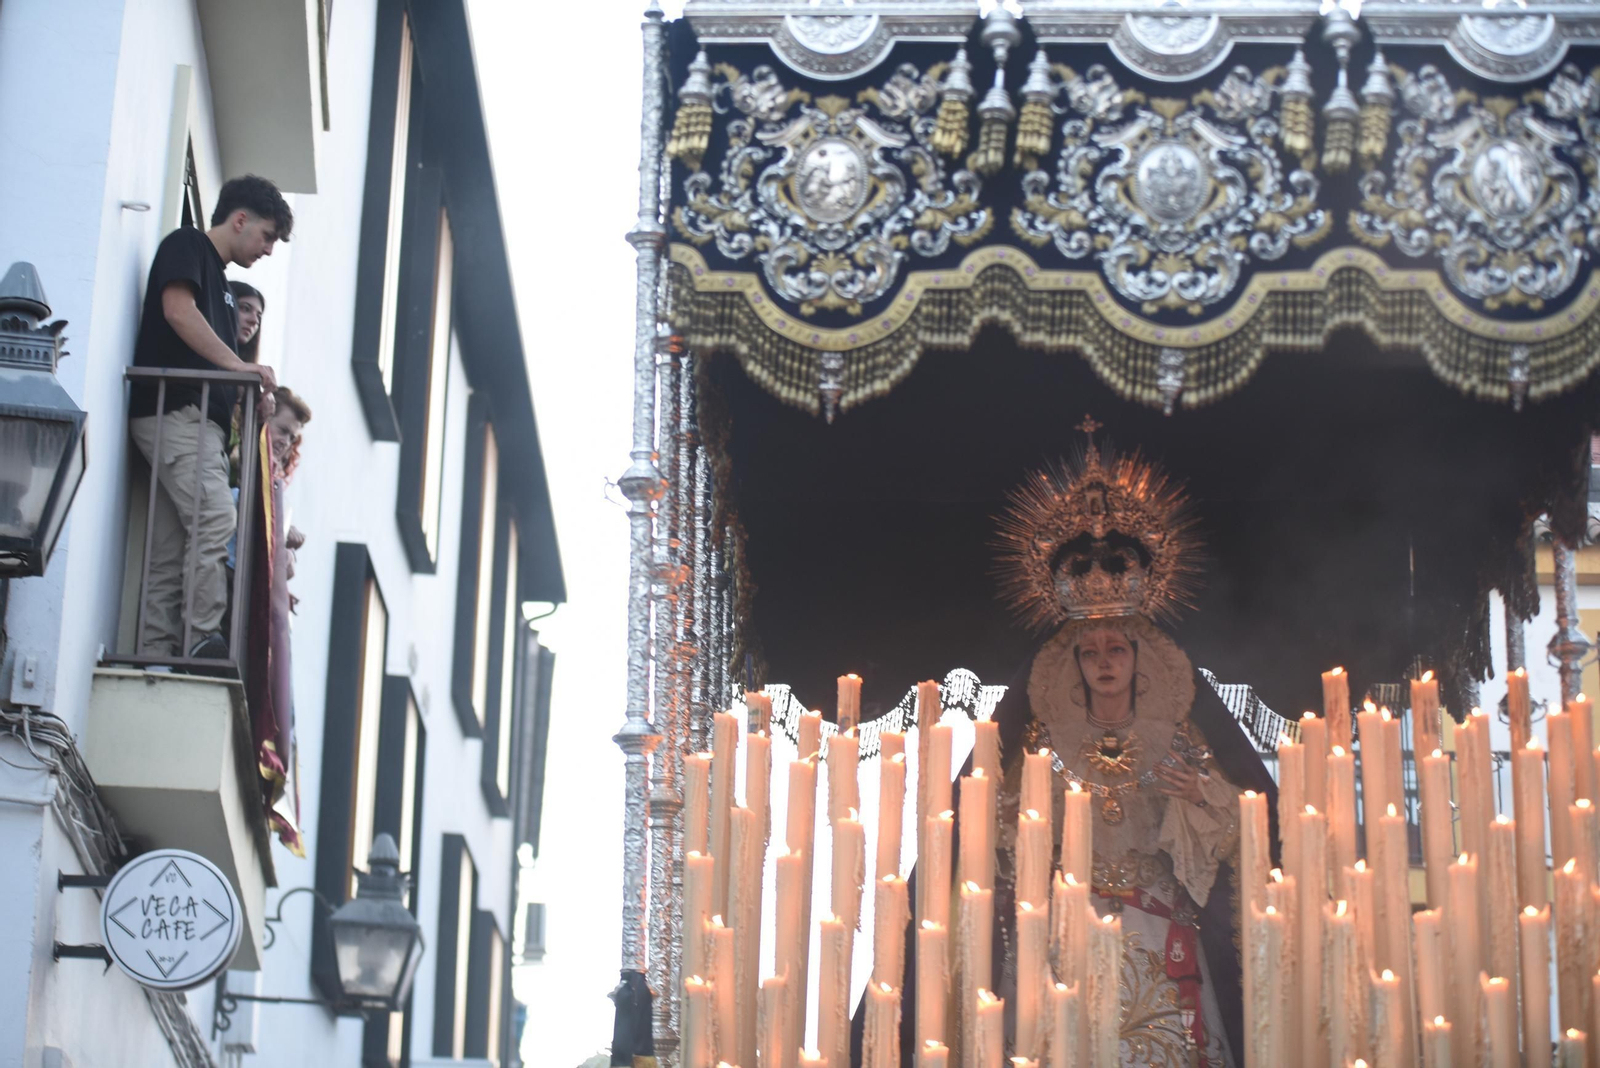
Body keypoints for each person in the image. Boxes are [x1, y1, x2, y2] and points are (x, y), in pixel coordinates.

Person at [987, 421, 1277, 1068]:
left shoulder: (1179, 732)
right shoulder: (1040, 738)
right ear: (1075, 664)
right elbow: (999, 835)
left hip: (1160, 933)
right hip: (1069, 937)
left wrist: (1199, 791)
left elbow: (1243, 824)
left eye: (1117, 648)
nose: (1104, 662)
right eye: (1091, 652)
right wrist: (1025, 814)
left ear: (1141, 659)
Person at [127, 175, 292, 659]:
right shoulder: (188, 244)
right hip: (178, 415)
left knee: (170, 550)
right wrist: (239, 366)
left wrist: (248, 401)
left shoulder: (221, 283)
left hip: (194, 425)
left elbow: (208, 354)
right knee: (219, 517)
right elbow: (177, 311)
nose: (268, 250)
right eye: (266, 235)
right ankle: (202, 640)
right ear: (239, 219)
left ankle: (157, 654)